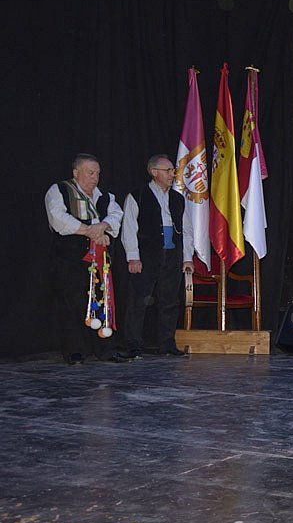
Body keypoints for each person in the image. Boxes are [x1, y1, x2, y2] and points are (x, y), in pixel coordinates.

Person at [44, 153, 127, 364]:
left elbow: (116, 215)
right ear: (76, 173)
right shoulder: (60, 190)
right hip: (69, 259)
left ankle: (106, 349)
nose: (95, 178)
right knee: (71, 304)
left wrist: (103, 226)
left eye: (97, 173)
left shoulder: (105, 196)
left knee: (102, 301)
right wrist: (90, 231)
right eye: (90, 173)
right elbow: (58, 218)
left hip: (99, 260)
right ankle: (75, 351)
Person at [120, 155, 194, 359]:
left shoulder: (178, 199)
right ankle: (133, 343)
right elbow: (129, 228)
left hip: (172, 255)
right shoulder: (138, 196)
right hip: (147, 255)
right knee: (138, 300)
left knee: (170, 300)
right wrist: (133, 257)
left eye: (173, 171)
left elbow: (186, 230)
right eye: (168, 170)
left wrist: (187, 257)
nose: (172, 174)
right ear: (154, 172)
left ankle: (166, 343)